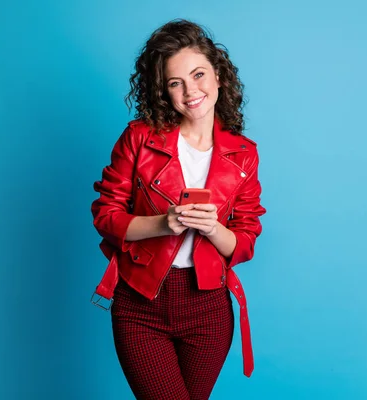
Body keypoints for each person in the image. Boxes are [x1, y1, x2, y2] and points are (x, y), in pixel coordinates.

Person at [90, 19, 266, 400]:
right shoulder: (139, 138)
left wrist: (213, 228)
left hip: (209, 309)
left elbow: (246, 238)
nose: (191, 91)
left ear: (219, 76)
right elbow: (106, 216)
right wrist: (163, 223)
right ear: (163, 92)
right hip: (141, 305)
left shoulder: (244, 154)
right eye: (175, 82)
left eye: (198, 74)